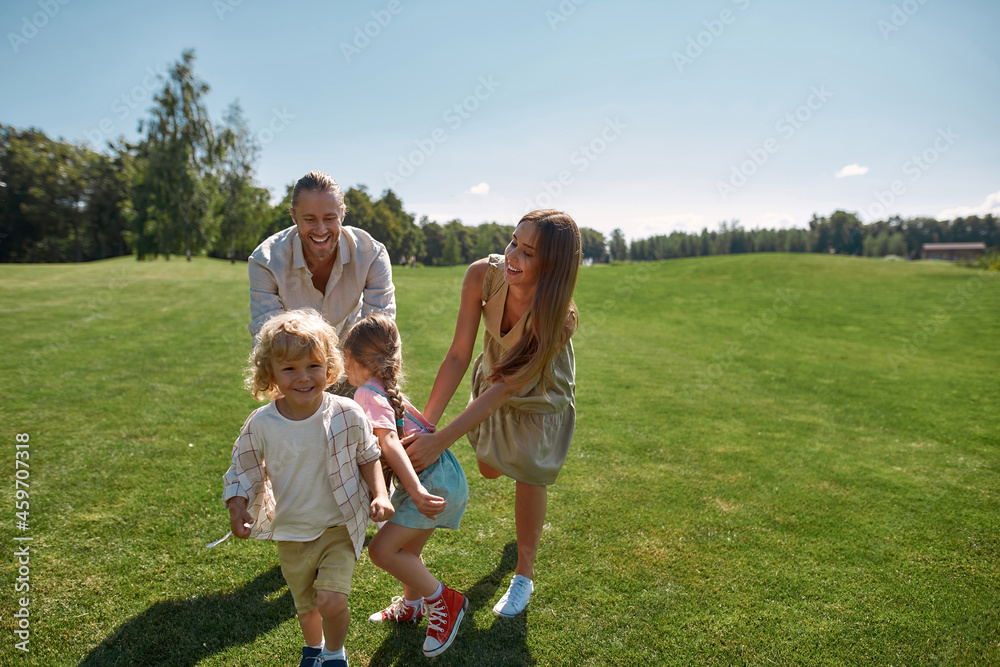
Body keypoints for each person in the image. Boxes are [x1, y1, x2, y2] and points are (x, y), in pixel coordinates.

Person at [404, 209, 580, 618]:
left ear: (551, 266)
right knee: (488, 467)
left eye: (528, 252)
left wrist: (440, 441)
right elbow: (459, 354)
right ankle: (505, 463)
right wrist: (426, 428)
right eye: (513, 242)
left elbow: (509, 388)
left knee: (527, 471)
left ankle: (524, 573)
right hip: (495, 373)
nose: (513, 255)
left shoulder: (560, 318)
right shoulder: (482, 275)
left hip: (539, 392)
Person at [223, 308, 393, 667]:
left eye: (313, 366)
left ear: (330, 367)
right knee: (307, 608)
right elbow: (244, 469)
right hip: (292, 533)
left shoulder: (347, 413)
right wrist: (237, 508)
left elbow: (368, 455)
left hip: (338, 526)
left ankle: (334, 654)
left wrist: (379, 493)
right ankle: (313, 649)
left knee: (331, 600)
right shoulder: (262, 424)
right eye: (290, 369)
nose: (304, 378)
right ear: (270, 373)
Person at [343, 313, 470, 658]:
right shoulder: (384, 389)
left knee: (381, 551)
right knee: (407, 552)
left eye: (344, 359)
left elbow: (389, 443)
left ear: (354, 360)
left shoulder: (366, 393)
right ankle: (412, 606)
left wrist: (413, 491)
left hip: (430, 482)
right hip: (443, 476)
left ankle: (445, 601)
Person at [248, 169, 395, 351]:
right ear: (294, 216)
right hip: (297, 361)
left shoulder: (372, 254)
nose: (321, 230)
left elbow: (380, 335)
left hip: (355, 358)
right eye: (309, 219)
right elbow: (268, 339)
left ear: (342, 214)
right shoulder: (265, 261)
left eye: (330, 218)